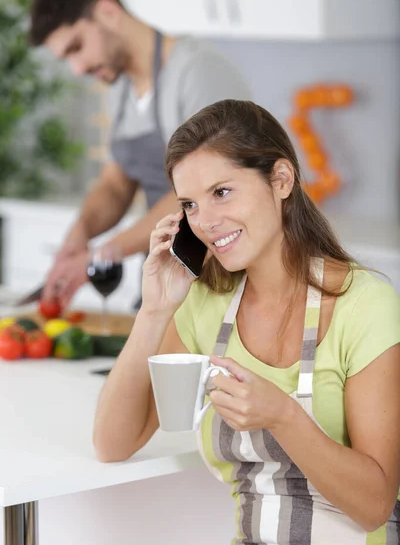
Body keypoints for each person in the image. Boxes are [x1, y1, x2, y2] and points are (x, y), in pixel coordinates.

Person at [93, 99, 400, 544]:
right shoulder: (204, 305)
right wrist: (154, 311)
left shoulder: (365, 304)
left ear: (281, 179)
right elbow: (113, 443)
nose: (206, 223)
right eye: (190, 205)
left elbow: (375, 504)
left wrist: (283, 416)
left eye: (221, 192)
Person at [28, 0, 251, 309]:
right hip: (168, 276)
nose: (76, 69)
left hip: (222, 279)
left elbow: (200, 191)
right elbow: (116, 184)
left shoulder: (197, 71)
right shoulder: (119, 90)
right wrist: (80, 234)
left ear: (107, 13)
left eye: (77, 47)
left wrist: (106, 252)